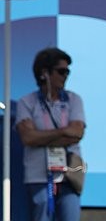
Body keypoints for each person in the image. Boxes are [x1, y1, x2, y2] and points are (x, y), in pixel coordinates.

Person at [15, 47, 85, 221]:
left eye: (67, 71)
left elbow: (76, 132)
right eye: (61, 71)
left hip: (68, 174)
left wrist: (41, 136)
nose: (65, 76)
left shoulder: (73, 100)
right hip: (38, 175)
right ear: (44, 73)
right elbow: (28, 138)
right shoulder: (27, 102)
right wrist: (63, 131)